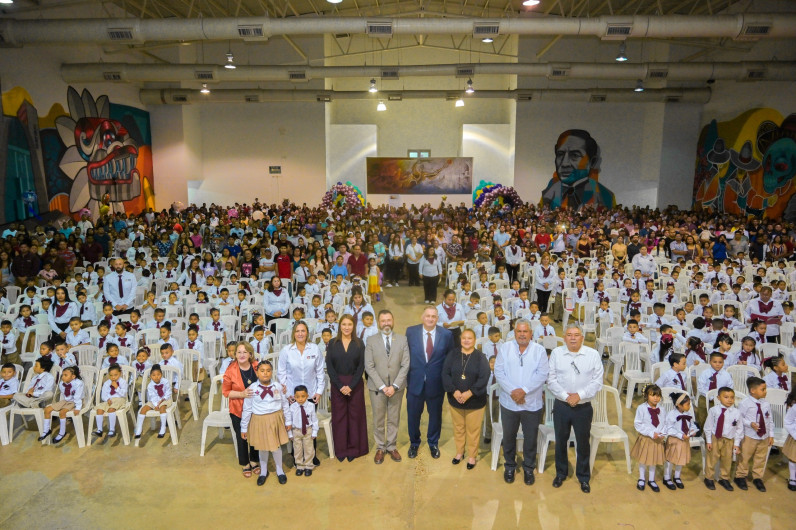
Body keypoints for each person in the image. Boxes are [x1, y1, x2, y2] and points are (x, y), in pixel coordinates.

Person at [547, 322, 604, 493]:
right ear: (564, 337)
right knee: (561, 441)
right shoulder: (557, 353)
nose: (573, 338)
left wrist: (578, 395)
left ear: (582, 337)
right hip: (562, 406)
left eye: (576, 335)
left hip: (583, 407)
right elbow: (551, 379)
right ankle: (561, 473)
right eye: (569, 335)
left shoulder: (592, 355)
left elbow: (597, 381)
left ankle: (583, 477)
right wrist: (566, 397)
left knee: (582, 443)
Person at [493, 318, 548, 483]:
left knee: (530, 438)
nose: (522, 334)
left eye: (525, 331)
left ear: (531, 333)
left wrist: (523, 391)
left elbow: (542, 374)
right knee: (509, 436)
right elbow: (499, 371)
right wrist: (513, 392)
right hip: (509, 402)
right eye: (519, 331)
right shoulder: (505, 348)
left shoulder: (539, 350)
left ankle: (528, 468)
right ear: (514, 332)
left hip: (532, 404)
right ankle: (509, 466)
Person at [405, 306, 454, 459]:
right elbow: (405, 356)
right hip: (415, 382)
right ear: (422, 317)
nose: (430, 319)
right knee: (413, 415)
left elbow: (450, 359)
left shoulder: (446, 335)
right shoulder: (411, 332)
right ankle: (414, 442)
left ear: (437, 318)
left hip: (436, 384)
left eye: (434, 316)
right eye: (428, 316)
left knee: (435, 416)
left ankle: (433, 443)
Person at [365, 309, 410, 465]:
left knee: (393, 417)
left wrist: (395, 385)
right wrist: (383, 386)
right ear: (378, 322)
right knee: (378, 419)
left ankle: (391, 446)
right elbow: (369, 367)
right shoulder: (370, 341)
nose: (386, 323)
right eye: (383, 321)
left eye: (388, 320)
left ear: (393, 321)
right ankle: (380, 447)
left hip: (397, 388)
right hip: (377, 388)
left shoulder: (402, 340)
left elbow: (405, 365)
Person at [441, 328, 491, 470]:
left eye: (470, 338)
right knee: (458, 428)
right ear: (460, 339)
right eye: (464, 338)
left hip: (475, 401)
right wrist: (454, 391)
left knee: (473, 430)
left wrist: (470, 392)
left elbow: (484, 377)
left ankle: (472, 456)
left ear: (474, 340)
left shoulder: (480, 357)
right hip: (455, 399)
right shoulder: (453, 354)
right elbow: (445, 373)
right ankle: (459, 452)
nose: (466, 340)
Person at [277, 321, 325, 465]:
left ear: (307, 333)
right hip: (293, 396)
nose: (300, 334)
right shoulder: (287, 350)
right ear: (293, 333)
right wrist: (287, 394)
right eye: (297, 331)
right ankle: (296, 455)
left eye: (303, 331)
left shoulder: (314, 349)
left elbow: (320, 372)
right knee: (295, 425)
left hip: (310, 395)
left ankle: (311, 455)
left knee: (309, 425)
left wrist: (319, 391)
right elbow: (281, 373)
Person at [325, 314, 369, 462]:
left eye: (349, 324)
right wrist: (339, 385)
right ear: (339, 326)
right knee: (340, 418)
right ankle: (342, 449)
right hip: (337, 384)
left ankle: (355, 449)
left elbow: (361, 366)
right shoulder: (332, 343)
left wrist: (350, 386)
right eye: (344, 324)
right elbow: (330, 367)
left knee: (355, 417)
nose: (346, 327)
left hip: (355, 384)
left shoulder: (359, 343)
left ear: (353, 326)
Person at [240, 360, 290, 486]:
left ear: (272, 372)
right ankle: (263, 471)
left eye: (268, 370)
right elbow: (247, 409)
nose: (265, 373)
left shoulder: (278, 387)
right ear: (257, 373)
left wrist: (288, 420)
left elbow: (285, 405)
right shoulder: (252, 389)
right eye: (262, 371)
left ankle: (279, 470)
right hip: (259, 420)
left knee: (276, 447)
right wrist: (243, 428)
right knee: (262, 448)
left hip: (275, 419)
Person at [541, 129, 616, 209]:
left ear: (592, 162)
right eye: (560, 154)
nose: (565, 163)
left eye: (575, 155)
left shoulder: (605, 196)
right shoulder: (547, 195)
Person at [222, 342, 261, 478]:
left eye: (245, 352)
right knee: (242, 436)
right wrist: (241, 394)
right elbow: (226, 392)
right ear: (235, 354)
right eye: (239, 352)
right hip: (238, 409)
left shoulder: (257, 366)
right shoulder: (230, 370)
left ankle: (254, 459)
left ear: (250, 354)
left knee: (255, 435)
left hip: (256, 408)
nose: (242, 355)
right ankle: (245, 463)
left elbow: (266, 380)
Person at [734, 376, 774, 492]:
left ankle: (757, 477)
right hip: (749, 435)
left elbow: (770, 419)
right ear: (753, 390)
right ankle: (740, 476)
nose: (765, 391)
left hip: (764, 436)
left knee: (760, 457)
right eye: (763, 389)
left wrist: (771, 434)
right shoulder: (745, 403)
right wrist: (750, 423)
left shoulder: (766, 403)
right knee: (744, 457)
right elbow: (740, 418)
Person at [703, 386, 743, 491]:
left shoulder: (737, 412)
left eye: (732, 397)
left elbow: (739, 429)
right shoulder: (714, 410)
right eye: (726, 397)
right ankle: (709, 477)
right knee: (712, 458)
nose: (729, 400)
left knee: (727, 460)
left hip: (729, 439)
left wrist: (736, 443)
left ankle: (724, 478)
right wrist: (709, 440)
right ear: (718, 398)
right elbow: (708, 426)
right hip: (715, 437)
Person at [631, 385, 666, 492]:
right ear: (646, 396)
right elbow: (638, 424)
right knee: (643, 459)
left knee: (653, 460)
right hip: (646, 438)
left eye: (658, 396)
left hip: (657, 439)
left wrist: (662, 432)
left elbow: (665, 422)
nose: (656, 398)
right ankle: (641, 478)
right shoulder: (641, 408)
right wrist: (651, 433)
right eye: (653, 395)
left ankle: (651, 480)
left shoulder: (662, 409)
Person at [662, 391, 698, 490]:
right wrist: (680, 435)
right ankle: (667, 477)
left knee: (680, 459)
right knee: (670, 459)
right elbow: (669, 428)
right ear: (679, 405)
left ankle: (677, 477)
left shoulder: (688, 413)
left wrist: (693, 430)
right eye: (687, 404)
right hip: (675, 439)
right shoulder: (672, 414)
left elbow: (692, 424)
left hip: (684, 440)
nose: (689, 406)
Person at [287, 384, 319, 477]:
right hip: (296, 431)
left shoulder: (311, 406)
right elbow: (289, 420)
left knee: (309, 449)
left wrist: (314, 431)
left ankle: (308, 466)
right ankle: (300, 466)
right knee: (297, 449)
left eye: (303, 396)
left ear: (307, 396)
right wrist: (290, 434)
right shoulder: (292, 407)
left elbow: (314, 420)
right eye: (297, 397)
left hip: (308, 430)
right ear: (294, 397)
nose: (300, 399)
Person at [93, 363, 128, 438]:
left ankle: (112, 430)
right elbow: (103, 395)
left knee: (111, 409)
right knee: (99, 409)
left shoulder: (123, 382)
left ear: (120, 374)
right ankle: (100, 430)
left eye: (115, 375)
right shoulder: (106, 383)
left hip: (120, 399)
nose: (113, 377)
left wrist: (117, 387)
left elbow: (124, 394)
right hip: (109, 400)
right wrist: (107, 399)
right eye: (111, 375)